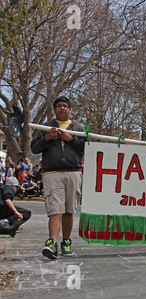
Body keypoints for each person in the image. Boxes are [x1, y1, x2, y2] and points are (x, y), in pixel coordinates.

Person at [31, 96, 86, 259]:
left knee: (69, 210)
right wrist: (46, 138)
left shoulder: (78, 127)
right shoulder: (45, 127)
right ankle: (52, 243)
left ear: (70, 110)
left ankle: (66, 242)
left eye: (65, 106)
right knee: (55, 210)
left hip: (73, 171)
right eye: (58, 106)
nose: (62, 108)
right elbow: (34, 148)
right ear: (54, 109)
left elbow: (86, 148)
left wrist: (71, 139)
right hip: (52, 173)